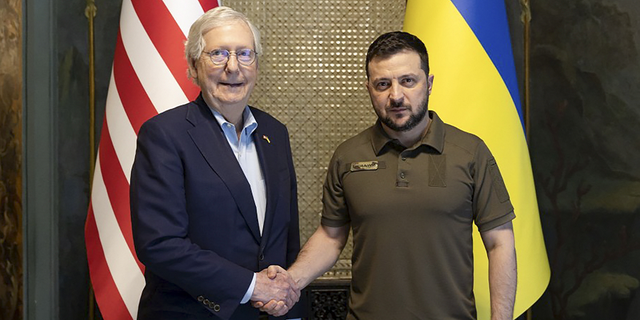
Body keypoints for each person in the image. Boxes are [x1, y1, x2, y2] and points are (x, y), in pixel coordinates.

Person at [258, 31, 517, 319]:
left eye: (408, 81)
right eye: (383, 84)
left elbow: (499, 242)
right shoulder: (348, 156)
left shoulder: (471, 152)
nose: (395, 95)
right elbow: (331, 237)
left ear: (428, 84)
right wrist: (289, 283)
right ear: (369, 88)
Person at [130, 7, 301, 320]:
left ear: (257, 65)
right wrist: (252, 286)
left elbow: (287, 236)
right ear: (194, 67)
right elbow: (160, 244)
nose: (233, 67)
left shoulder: (275, 133)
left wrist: (287, 303)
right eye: (219, 54)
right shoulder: (164, 135)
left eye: (244, 54)